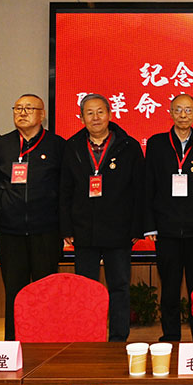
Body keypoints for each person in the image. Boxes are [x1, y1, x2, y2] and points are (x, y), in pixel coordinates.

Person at [60, 93, 145, 342]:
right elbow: (64, 190)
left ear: (109, 114)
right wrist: (66, 228)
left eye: (100, 112)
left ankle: (118, 338)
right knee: (85, 289)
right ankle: (88, 336)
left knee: (119, 287)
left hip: (119, 231)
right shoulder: (72, 146)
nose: (95, 117)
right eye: (89, 113)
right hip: (83, 230)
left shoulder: (128, 146)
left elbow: (140, 190)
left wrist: (136, 228)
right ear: (81, 118)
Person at [143, 94, 193, 342]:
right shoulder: (156, 144)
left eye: (188, 110)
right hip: (166, 228)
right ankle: (171, 335)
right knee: (170, 286)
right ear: (170, 112)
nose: (183, 115)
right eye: (178, 109)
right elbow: (148, 186)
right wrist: (150, 226)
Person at [0, 94, 64, 340]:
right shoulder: (1, 145)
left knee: (45, 291)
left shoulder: (57, 145)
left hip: (46, 230)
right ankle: (13, 343)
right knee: (14, 291)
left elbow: (64, 189)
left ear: (42, 114)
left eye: (29, 108)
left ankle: (44, 341)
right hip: (10, 232)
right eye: (18, 108)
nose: (22, 113)